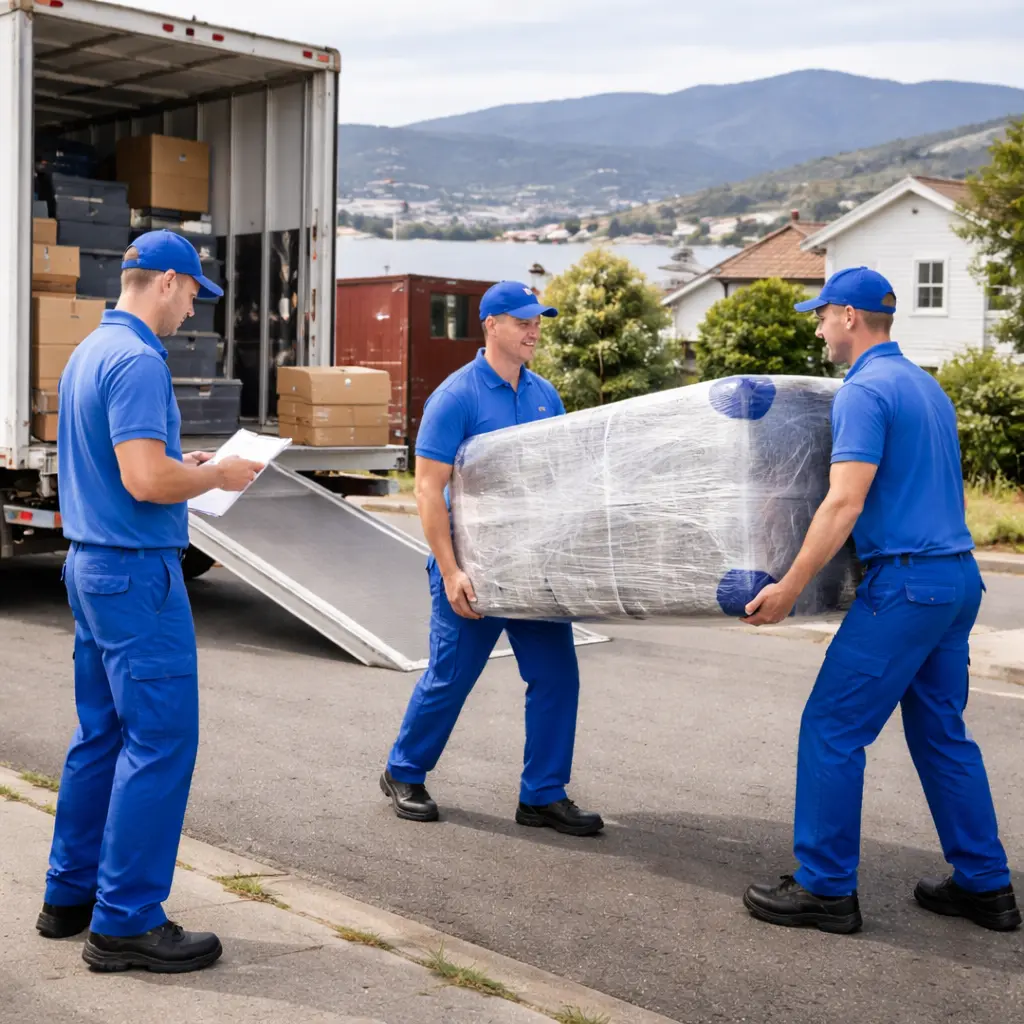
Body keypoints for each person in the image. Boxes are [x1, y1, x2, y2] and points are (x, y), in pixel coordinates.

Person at [740, 267, 1020, 935]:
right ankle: (986, 886)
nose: (818, 329)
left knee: (832, 726)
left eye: (821, 316)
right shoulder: (925, 386)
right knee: (941, 733)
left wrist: (790, 587)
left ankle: (825, 888)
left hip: (908, 586)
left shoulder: (863, 391)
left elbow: (844, 502)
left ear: (848, 316)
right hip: (956, 579)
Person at [35, 231, 265, 972]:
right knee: (160, 742)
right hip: (136, 577)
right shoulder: (138, 360)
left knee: (100, 736)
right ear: (166, 281)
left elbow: (132, 465)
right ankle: (126, 921)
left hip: (92, 566)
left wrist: (181, 465)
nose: (192, 309)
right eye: (193, 293)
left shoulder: (89, 352)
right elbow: (144, 481)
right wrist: (217, 475)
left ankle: (69, 896)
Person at [379, 280, 604, 837]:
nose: (534, 331)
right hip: (473, 568)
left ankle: (542, 795)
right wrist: (451, 571)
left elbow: (556, 480)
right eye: (523, 321)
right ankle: (403, 771)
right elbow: (427, 490)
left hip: (530, 569)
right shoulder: (456, 397)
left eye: (538, 321)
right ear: (491, 326)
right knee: (451, 678)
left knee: (557, 678)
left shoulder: (545, 395)